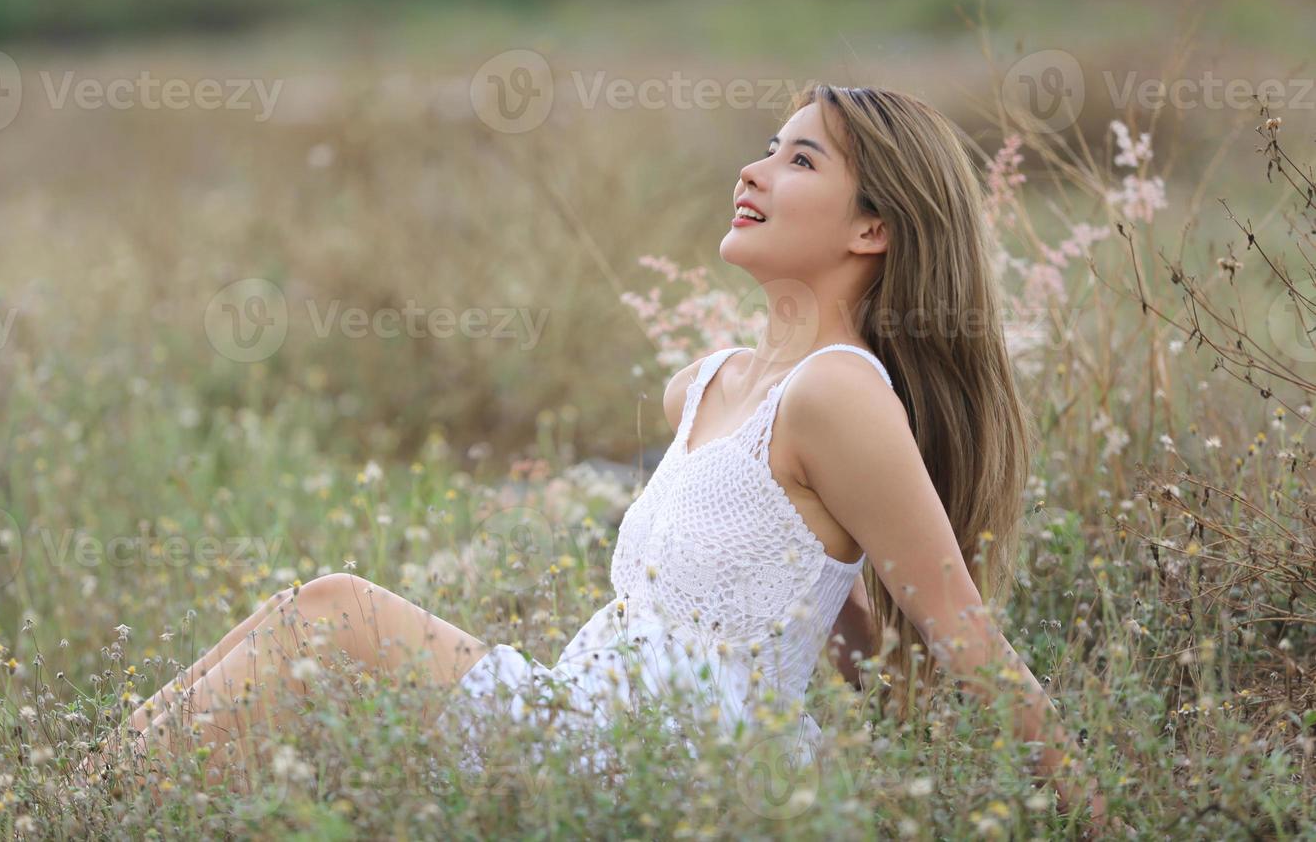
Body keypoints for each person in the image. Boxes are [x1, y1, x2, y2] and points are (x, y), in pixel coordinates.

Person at [113, 84, 1107, 828]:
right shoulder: (706, 387)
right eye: (766, 148)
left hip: (671, 758)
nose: (753, 172)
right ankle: (93, 799)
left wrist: (1102, 816)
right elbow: (833, 612)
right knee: (299, 621)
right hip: (593, 719)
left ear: (873, 226)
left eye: (800, 160)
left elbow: (967, 641)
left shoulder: (838, 390)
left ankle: (83, 811)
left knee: (331, 610)